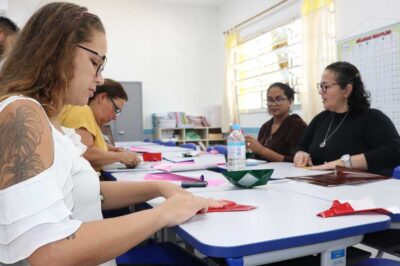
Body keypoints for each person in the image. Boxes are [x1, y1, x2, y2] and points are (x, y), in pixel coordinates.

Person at [0, 3, 224, 265]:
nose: (99, 78)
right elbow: (50, 253)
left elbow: (85, 192)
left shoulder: (51, 121)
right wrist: (162, 215)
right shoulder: (21, 113)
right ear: (57, 51)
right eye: (95, 62)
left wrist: (160, 187)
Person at [294, 61, 400, 176]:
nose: (320, 92)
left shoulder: (372, 118)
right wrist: (300, 154)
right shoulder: (320, 119)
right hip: (319, 185)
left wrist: (345, 162)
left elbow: (394, 151)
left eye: (325, 87)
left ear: (346, 90)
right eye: (320, 86)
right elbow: (301, 146)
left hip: (359, 189)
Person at [59, 78, 141, 170]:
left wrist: (112, 150)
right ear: (102, 98)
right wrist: (121, 156)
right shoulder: (81, 111)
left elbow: (87, 144)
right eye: (116, 110)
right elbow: (86, 153)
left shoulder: (90, 117)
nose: (115, 117)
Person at [245, 82, 307, 162]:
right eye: (270, 100)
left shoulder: (297, 126)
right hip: (264, 172)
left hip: (285, 173)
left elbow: (297, 160)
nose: (273, 104)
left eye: (279, 99)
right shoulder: (265, 127)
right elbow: (258, 156)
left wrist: (262, 150)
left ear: (290, 101)